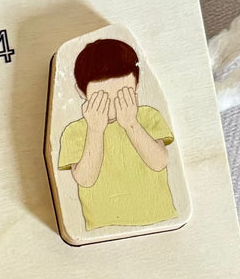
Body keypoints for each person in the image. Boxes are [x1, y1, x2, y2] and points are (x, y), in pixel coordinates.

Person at [56, 38, 177, 231]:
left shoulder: (148, 116)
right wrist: (95, 130)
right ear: (81, 92)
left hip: (160, 218)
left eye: (122, 92)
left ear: (137, 85)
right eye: (102, 96)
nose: (113, 102)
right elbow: (85, 179)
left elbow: (159, 162)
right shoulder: (74, 132)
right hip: (105, 227)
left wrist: (131, 124)